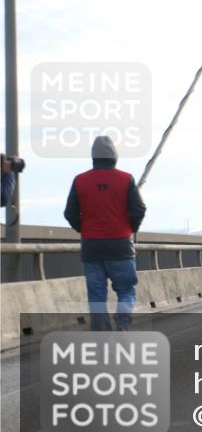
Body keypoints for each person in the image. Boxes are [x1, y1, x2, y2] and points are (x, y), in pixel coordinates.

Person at [63, 136, 146, 331]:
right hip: (121, 246)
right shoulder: (126, 179)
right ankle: (123, 324)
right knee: (126, 290)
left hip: (92, 247)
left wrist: (84, 228)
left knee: (96, 296)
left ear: (93, 157)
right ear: (114, 157)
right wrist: (130, 229)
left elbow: (69, 213)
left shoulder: (80, 180)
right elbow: (139, 209)